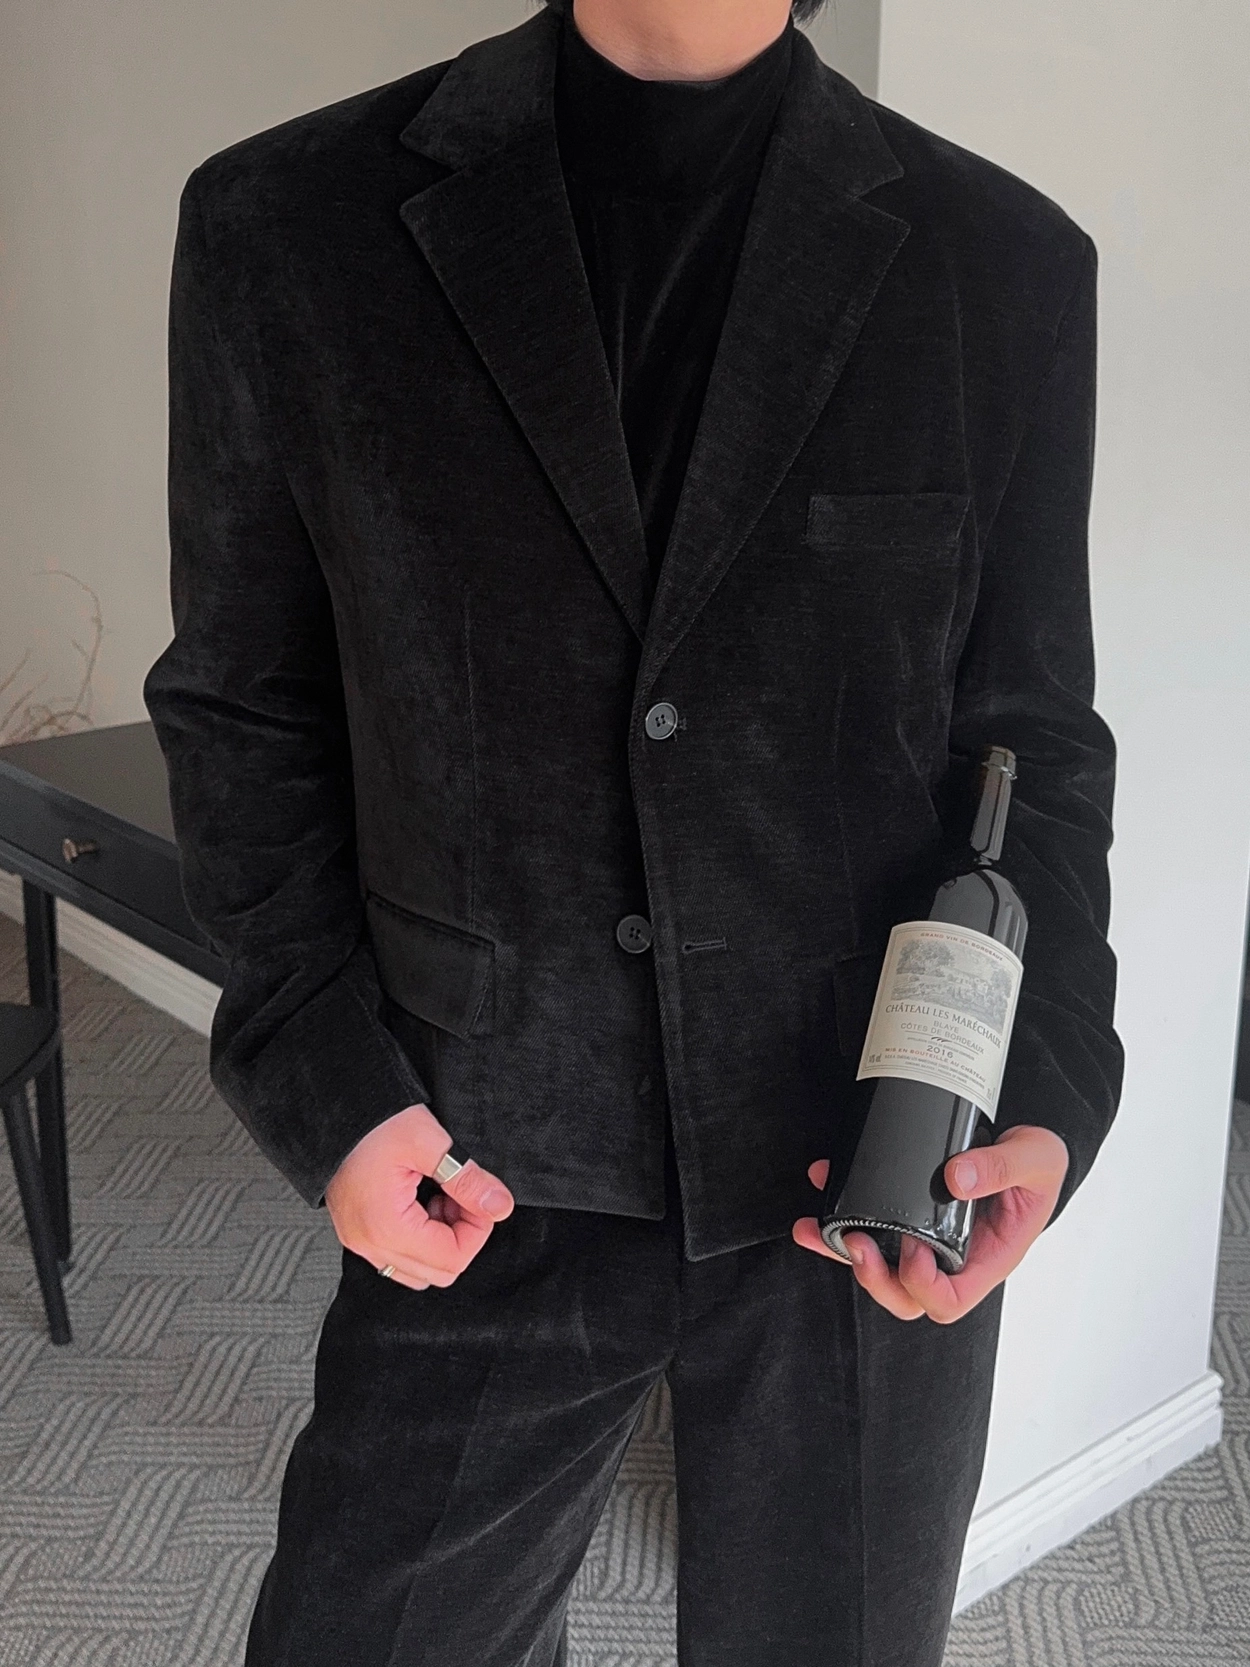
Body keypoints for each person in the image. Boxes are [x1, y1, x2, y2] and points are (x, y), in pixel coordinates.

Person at [143, 0, 1124, 1660]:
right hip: (475, 1157)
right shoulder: (285, 226)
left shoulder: (1002, 264)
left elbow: (1027, 742)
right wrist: (326, 1082)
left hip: (870, 1161)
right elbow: (244, 703)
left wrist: (1046, 1085)